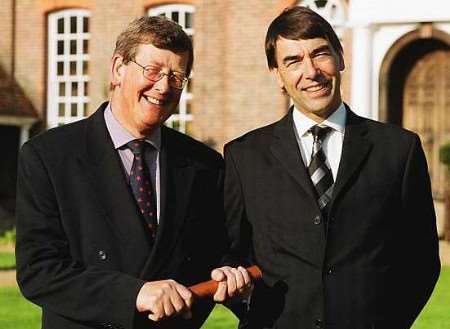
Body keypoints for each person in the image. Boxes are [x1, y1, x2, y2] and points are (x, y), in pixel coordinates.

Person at [15, 16, 249, 329]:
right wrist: (133, 294)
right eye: (152, 70)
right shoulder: (48, 156)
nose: (164, 87)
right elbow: (39, 271)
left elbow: (216, 251)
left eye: (177, 77)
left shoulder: (204, 165)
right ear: (117, 69)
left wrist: (226, 271)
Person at [222, 6, 440, 329]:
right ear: (277, 77)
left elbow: (421, 261)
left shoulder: (399, 149)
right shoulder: (244, 156)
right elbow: (229, 256)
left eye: (320, 54)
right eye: (293, 61)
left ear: (340, 58)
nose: (311, 71)